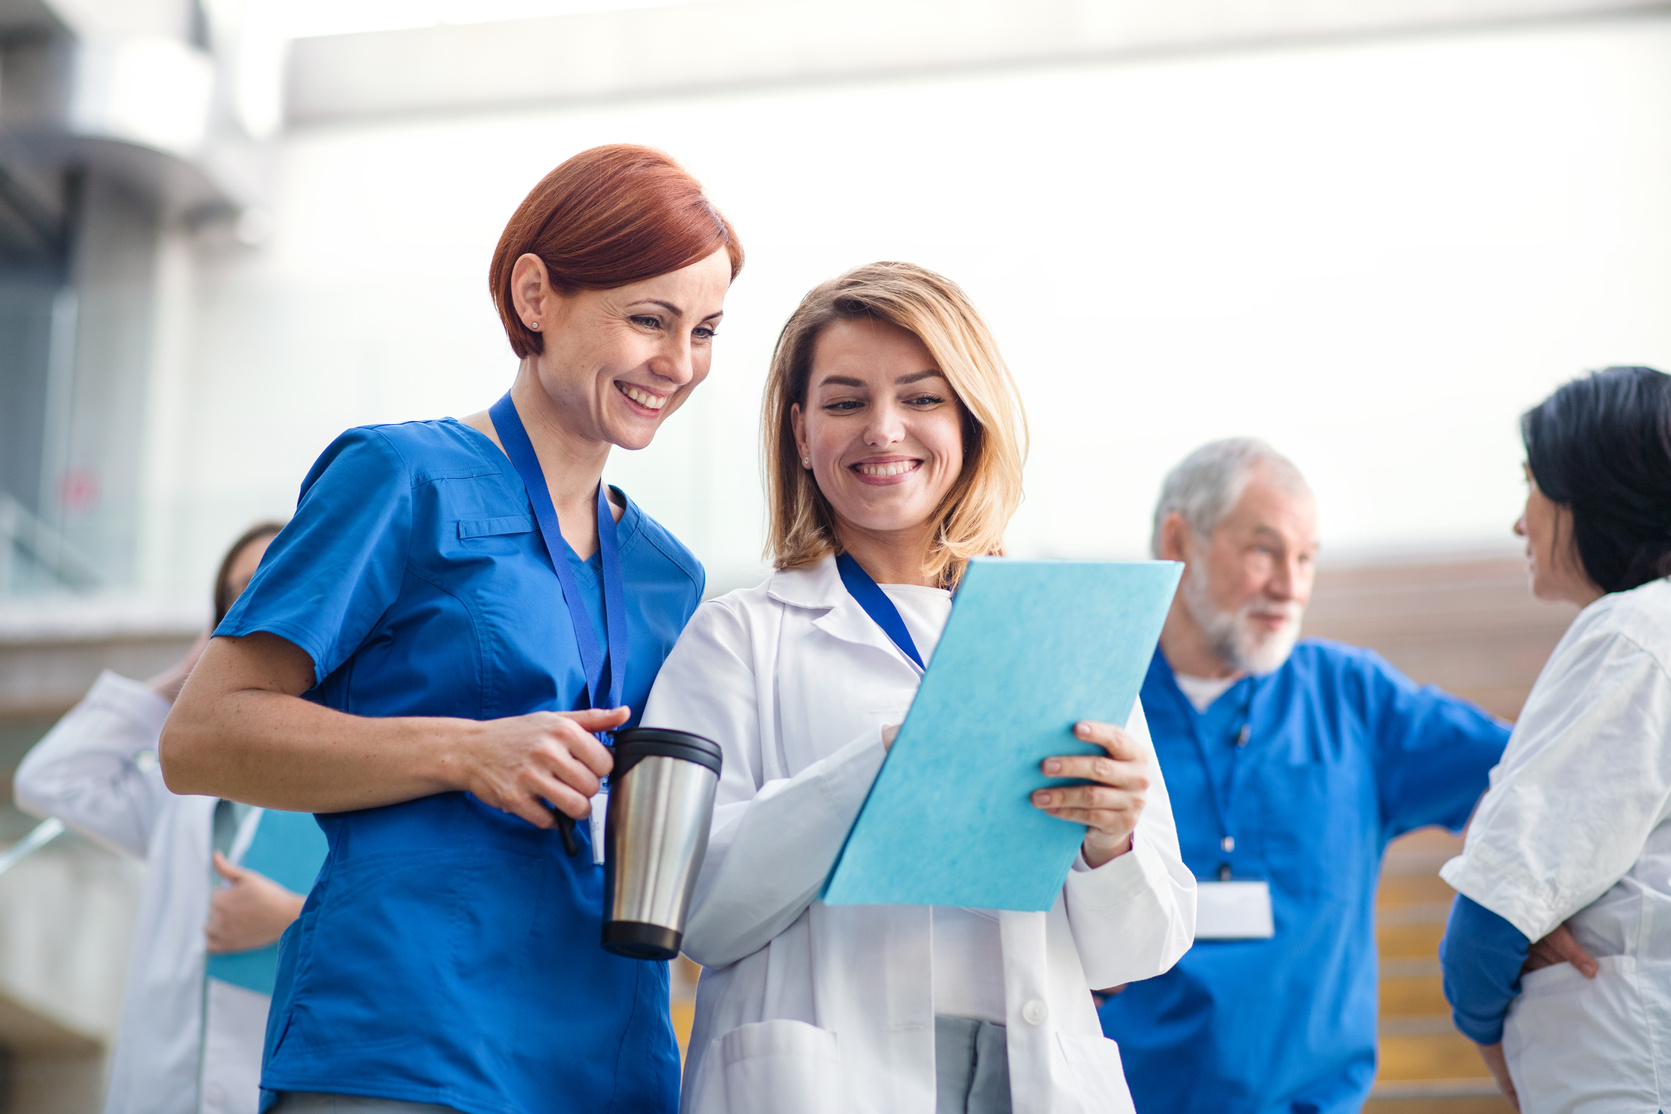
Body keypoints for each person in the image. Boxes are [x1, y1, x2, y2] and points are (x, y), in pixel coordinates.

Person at [157, 145, 742, 1114]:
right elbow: (202, 735)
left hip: (609, 1055)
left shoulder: (670, 573)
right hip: (407, 1033)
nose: (678, 365)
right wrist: (469, 751)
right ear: (536, 293)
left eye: (706, 330)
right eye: (649, 318)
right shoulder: (398, 477)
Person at [640, 262, 1196, 1114]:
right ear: (799, 433)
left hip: (1034, 1075)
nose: (884, 429)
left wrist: (1112, 842)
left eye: (921, 397)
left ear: (969, 418)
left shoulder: (1062, 632)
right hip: (824, 1077)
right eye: (844, 401)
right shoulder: (736, 638)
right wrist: (874, 764)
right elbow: (698, 913)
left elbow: (1141, 950)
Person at [1097, 437, 1514, 1113]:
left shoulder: (1354, 697)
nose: (1289, 585)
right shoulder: (1097, 703)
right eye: (1263, 550)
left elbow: (1543, 775)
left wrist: (1536, 900)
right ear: (1178, 541)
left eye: (1305, 557)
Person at [15, 522, 328, 1114]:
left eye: (278, 573)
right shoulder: (181, 776)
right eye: (239, 590)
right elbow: (51, 778)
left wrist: (290, 918)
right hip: (159, 1088)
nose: (259, 597)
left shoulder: (366, 750)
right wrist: (192, 676)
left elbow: (418, 918)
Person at [1438, 366, 1671, 1113]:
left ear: (1593, 491)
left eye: (1530, 484)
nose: (1519, 522)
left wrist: (1484, 1027)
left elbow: (1485, 925)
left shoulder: (1632, 633)